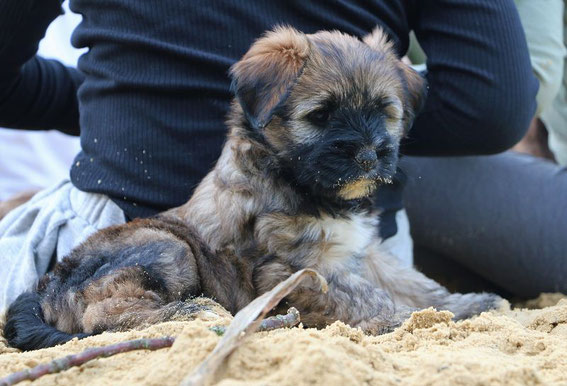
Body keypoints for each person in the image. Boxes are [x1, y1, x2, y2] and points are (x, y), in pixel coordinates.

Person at [0, 0, 538, 311]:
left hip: (113, 202)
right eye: (322, 117)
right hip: (129, 264)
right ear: (256, 109)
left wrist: (116, 99)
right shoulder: (277, 76)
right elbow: (493, 105)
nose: (369, 149)